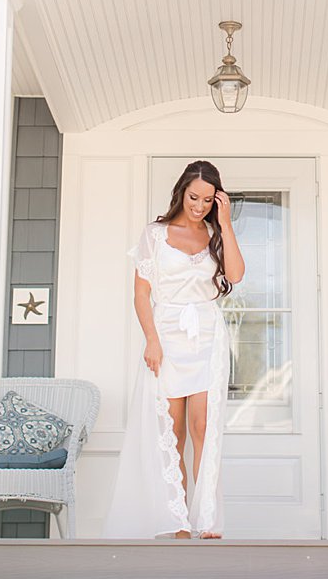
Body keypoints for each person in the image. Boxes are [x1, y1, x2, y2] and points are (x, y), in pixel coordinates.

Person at [101, 160, 245, 539]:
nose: (198, 205)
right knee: (173, 432)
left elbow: (235, 275)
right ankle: (177, 521)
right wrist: (151, 339)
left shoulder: (216, 233)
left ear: (217, 200)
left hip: (207, 337)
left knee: (203, 427)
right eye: (193, 197)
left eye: (207, 200)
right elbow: (141, 293)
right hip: (166, 335)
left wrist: (226, 223)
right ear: (182, 192)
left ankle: (208, 519)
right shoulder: (155, 234)